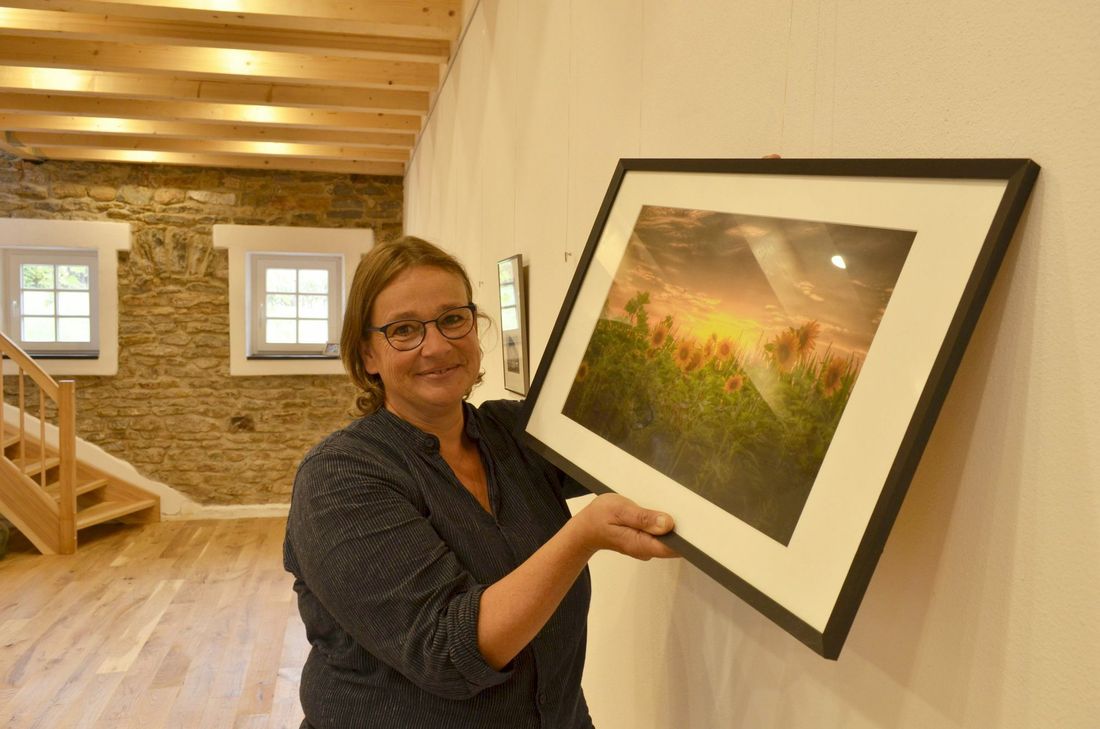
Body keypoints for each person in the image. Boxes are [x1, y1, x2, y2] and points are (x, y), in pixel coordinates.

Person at [283, 236, 677, 729]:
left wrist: (719, 230)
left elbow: (643, 424)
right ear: (367, 356)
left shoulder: (515, 436)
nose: (438, 346)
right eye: (404, 330)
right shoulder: (340, 479)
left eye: (452, 319)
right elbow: (447, 650)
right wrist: (583, 536)